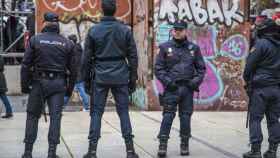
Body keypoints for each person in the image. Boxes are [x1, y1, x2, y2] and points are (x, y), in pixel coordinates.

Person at [82, 0, 139, 158]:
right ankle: (130, 150)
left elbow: (86, 58)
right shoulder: (125, 30)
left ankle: (92, 151)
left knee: (96, 113)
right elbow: (133, 56)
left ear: (102, 10)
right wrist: (132, 79)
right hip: (120, 75)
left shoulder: (93, 31)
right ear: (115, 10)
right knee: (123, 112)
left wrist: (86, 80)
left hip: (100, 76)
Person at [21, 12, 78, 158]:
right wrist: (69, 90)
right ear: (57, 24)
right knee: (55, 117)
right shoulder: (67, 43)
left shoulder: (35, 40)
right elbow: (74, 70)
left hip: (38, 83)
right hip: (58, 84)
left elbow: (26, 65)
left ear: (45, 24)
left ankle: (28, 152)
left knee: (32, 117)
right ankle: (51, 152)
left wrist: (25, 85)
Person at [154, 20, 206, 157]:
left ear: (185, 31)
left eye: (180, 29)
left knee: (185, 117)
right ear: (173, 31)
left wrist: (194, 83)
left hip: (187, 89)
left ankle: (184, 144)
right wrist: (168, 82)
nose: (177, 31)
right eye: (175, 29)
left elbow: (201, 69)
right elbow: (158, 69)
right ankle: (162, 145)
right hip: (172, 88)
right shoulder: (165, 47)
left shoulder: (194, 49)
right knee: (167, 116)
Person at [243, 18, 280, 158]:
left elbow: (249, 65)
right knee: (274, 120)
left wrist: (247, 81)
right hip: (276, 89)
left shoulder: (261, 44)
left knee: (255, 119)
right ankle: (272, 151)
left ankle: (255, 150)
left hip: (260, 89)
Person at [64, 34, 89, 111]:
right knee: (80, 90)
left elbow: (72, 62)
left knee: (70, 90)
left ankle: (61, 105)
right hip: (80, 73)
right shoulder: (80, 49)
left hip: (74, 73)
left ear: (71, 41)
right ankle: (86, 106)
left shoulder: (72, 49)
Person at [0, 55, 13, 119]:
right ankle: (9, 112)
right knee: (3, 96)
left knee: (3, 96)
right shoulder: (1, 57)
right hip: (1, 79)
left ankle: (9, 112)